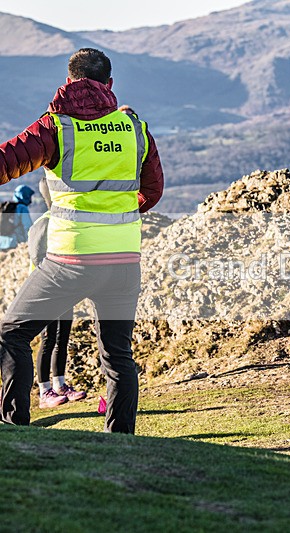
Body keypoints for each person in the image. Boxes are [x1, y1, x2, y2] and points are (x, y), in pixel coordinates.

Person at [0, 48, 164, 433]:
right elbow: (153, 191)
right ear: (108, 85)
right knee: (117, 354)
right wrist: (115, 217)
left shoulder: (55, 127)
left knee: (12, 334)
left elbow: (6, 162)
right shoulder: (137, 130)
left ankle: (14, 428)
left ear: (70, 82)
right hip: (124, 261)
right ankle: (120, 437)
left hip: (70, 261)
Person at [27, 176, 86, 408]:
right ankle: (44, 392)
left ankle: (60, 385)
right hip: (47, 288)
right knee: (49, 338)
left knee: (62, 337)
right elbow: (36, 257)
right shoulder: (44, 223)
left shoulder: (67, 220)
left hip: (67, 287)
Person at [0, 184, 35, 250]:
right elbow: (28, 227)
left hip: (2, 243)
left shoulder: (6, 207)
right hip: (15, 243)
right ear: (25, 195)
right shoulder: (22, 208)